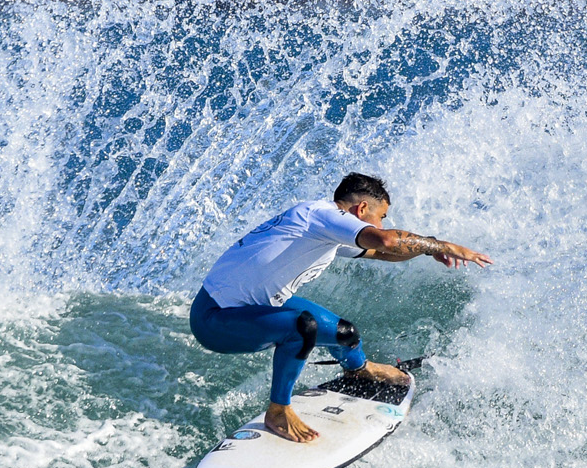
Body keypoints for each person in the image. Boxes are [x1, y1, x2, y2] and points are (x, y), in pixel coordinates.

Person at [190, 173, 491, 443]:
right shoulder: (322, 215)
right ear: (361, 210)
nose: (382, 223)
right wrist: (442, 246)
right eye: (381, 215)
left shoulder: (324, 226)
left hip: (253, 305)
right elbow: (387, 240)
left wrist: (427, 248)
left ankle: (359, 370)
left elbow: (382, 252)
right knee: (302, 328)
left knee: (345, 334)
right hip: (215, 317)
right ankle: (278, 410)